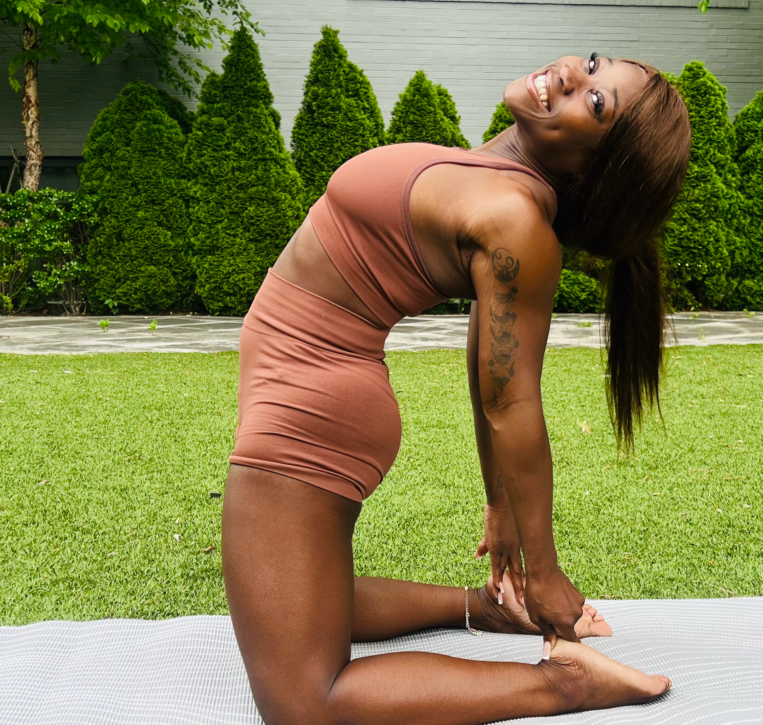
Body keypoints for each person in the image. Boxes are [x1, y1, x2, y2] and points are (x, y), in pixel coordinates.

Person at [222, 53, 691, 724]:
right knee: (289, 602)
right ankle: (486, 608)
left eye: (595, 103)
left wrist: (543, 572)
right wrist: (498, 504)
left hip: (307, 407)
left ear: (591, 169)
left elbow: (512, 401)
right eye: (594, 65)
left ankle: (565, 684)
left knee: (300, 702)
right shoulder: (499, 177)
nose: (571, 75)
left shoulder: (515, 221)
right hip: (301, 388)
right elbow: (483, 352)